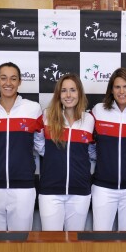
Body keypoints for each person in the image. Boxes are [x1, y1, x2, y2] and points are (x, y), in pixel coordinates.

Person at [0, 62, 43, 231]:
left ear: (19, 81)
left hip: (24, 187)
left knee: (21, 243)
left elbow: (41, 145)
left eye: (13, 78)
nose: (8, 83)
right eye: (4, 78)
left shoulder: (33, 109)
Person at [35, 73, 95, 231]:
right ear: (58, 94)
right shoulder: (47, 116)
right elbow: (39, 143)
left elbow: (91, 151)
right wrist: (51, 156)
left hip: (80, 192)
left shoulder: (89, 120)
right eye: (64, 90)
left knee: (74, 246)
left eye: (73, 90)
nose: (68, 95)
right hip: (50, 192)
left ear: (79, 93)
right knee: (51, 244)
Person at [91, 67, 126, 231]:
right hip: (103, 187)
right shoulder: (99, 110)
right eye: (117, 87)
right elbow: (89, 143)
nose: (121, 91)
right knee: (100, 240)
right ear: (111, 90)